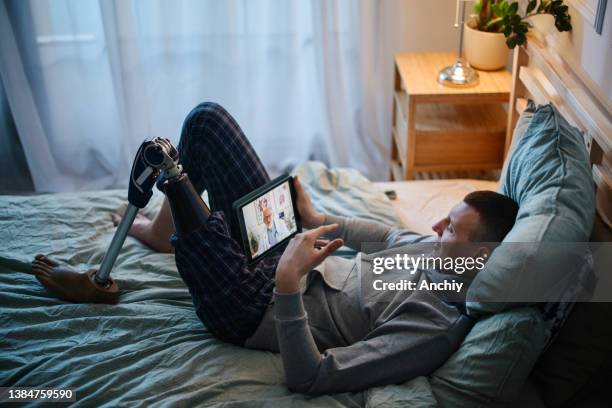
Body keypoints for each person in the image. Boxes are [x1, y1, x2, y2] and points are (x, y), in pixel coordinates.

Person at [33, 102, 519, 394]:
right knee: (205, 122)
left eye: (452, 230)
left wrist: (287, 284)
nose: (436, 228)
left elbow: (311, 377)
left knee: (171, 170)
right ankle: (164, 232)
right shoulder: (435, 252)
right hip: (285, 253)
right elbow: (388, 236)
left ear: (478, 260)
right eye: (446, 218)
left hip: (254, 307)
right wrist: (318, 220)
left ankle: (103, 279)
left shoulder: (432, 329)